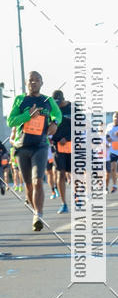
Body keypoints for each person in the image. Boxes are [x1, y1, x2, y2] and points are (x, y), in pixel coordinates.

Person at [7, 70, 62, 231]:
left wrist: (55, 123)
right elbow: (11, 121)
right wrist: (27, 116)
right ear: (26, 83)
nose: (33, 82)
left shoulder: (47, 100)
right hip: (22, 146)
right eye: (30, 80)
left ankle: (38, 214)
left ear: (42, 83)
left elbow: (57, 114)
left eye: (37, 80)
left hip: (40, 145)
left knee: (38, 181)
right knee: (29, 185)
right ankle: (34, 211)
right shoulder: (20, 100)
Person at [50, 89, 72, 213]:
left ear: (63, 99)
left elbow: (80, 126)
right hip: (58, 146)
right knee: (60, 174)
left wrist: (68, 138)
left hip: (73, 145)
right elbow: (47, 127)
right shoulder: (51, 110)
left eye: (59, 102)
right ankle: (64, 203)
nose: (57, 104)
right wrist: (52, 139)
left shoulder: (72, 108)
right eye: (55, 102)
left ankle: (78, 197)